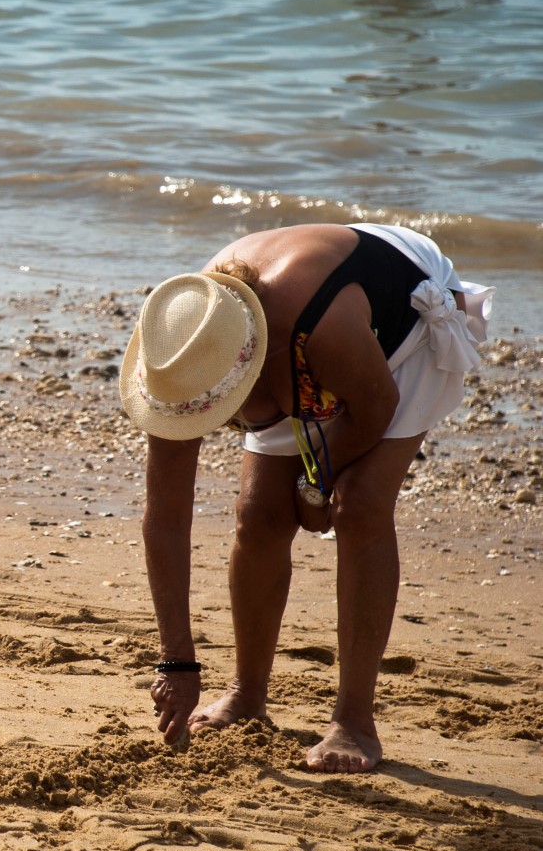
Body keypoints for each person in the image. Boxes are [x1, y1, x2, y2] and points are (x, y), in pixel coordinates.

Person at [119, 223, 493, 772]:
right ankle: (248, 695)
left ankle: (355, 721)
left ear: (248, 367)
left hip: (392, 326)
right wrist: (177, 662)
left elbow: (375, 407)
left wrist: (316, 481)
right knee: (258, 515)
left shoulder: (318, 329)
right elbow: (166, 519)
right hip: (283, 345)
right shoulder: (182, 350)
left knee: (359, 503)